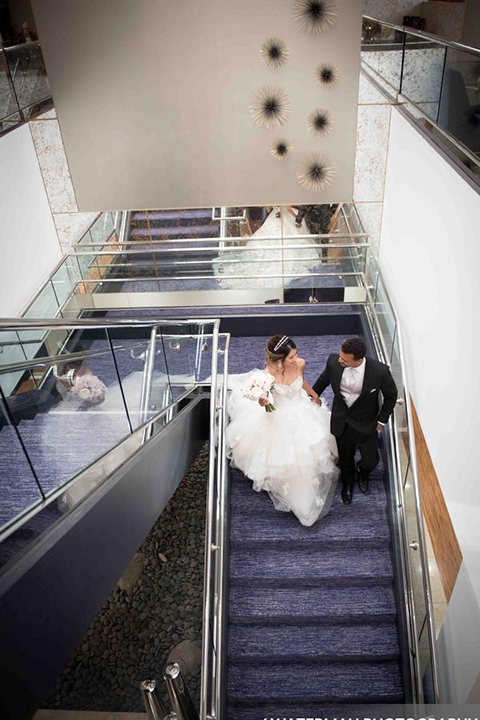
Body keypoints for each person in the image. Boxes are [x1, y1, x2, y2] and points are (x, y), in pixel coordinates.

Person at [226, 334, 339, 526]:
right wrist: (263, 401)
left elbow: (302, 382)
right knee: (283, 454)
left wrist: (314, 395)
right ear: (279, 360)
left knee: (310, 448)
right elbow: (266, 399)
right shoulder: (267, 376)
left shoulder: (300, 364)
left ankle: (305, 488)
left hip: (302, 411)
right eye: (291, 357)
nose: (296, 359)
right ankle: (293, 490)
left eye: (296, 354)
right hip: (278, 417)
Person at [313, 337, 398, 505]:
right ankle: (348, 484)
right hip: (341, 420)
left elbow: (391, 395)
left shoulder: (380, 371)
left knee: (371, 461)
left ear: (358, 359)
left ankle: (363, 471)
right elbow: (324, 380)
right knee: (345, 458)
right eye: (340, 355)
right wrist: (312, 395)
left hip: (367, 422)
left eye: (345, 359)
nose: (339, 360)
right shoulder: (333, 362)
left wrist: (382, 420)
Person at [214, 206, 321, 289]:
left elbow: (268, 208)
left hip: (275, 216)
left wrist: (275, 208)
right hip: (283, 217)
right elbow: (288, 208)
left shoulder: (270, 194)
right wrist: (297, 219)